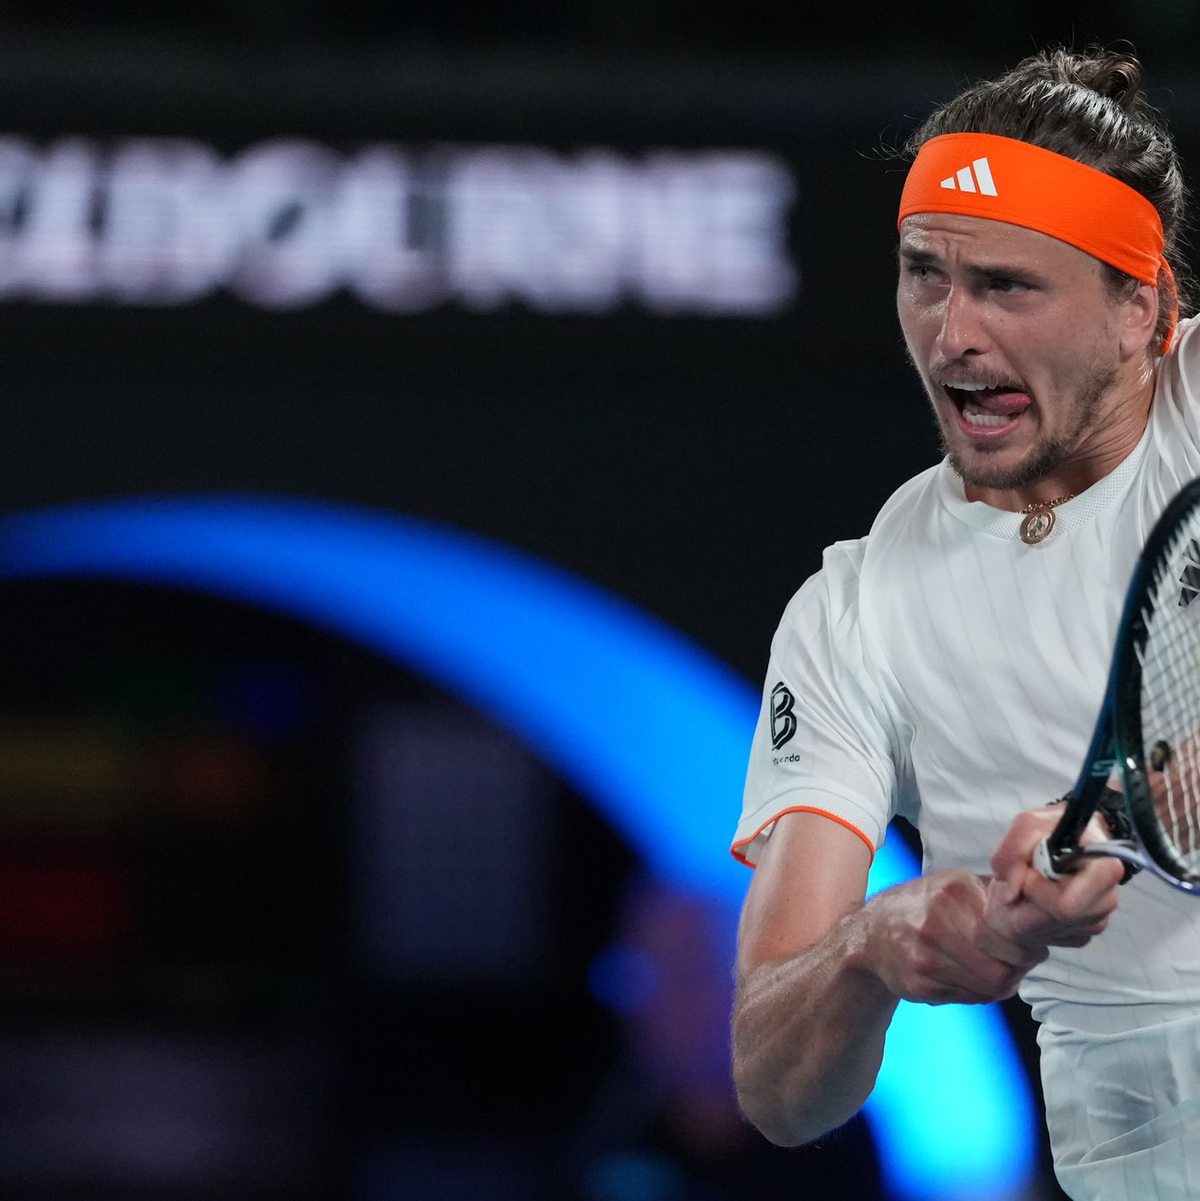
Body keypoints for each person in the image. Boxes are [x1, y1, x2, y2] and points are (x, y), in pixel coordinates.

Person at [729, 47, 1200, 1201]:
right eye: (926, 274)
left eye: (1008, 286)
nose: (952, 337)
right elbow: (777, 1086)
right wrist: (870, 950)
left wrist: (1143, 799)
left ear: (1142, 310)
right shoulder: (853, 611)